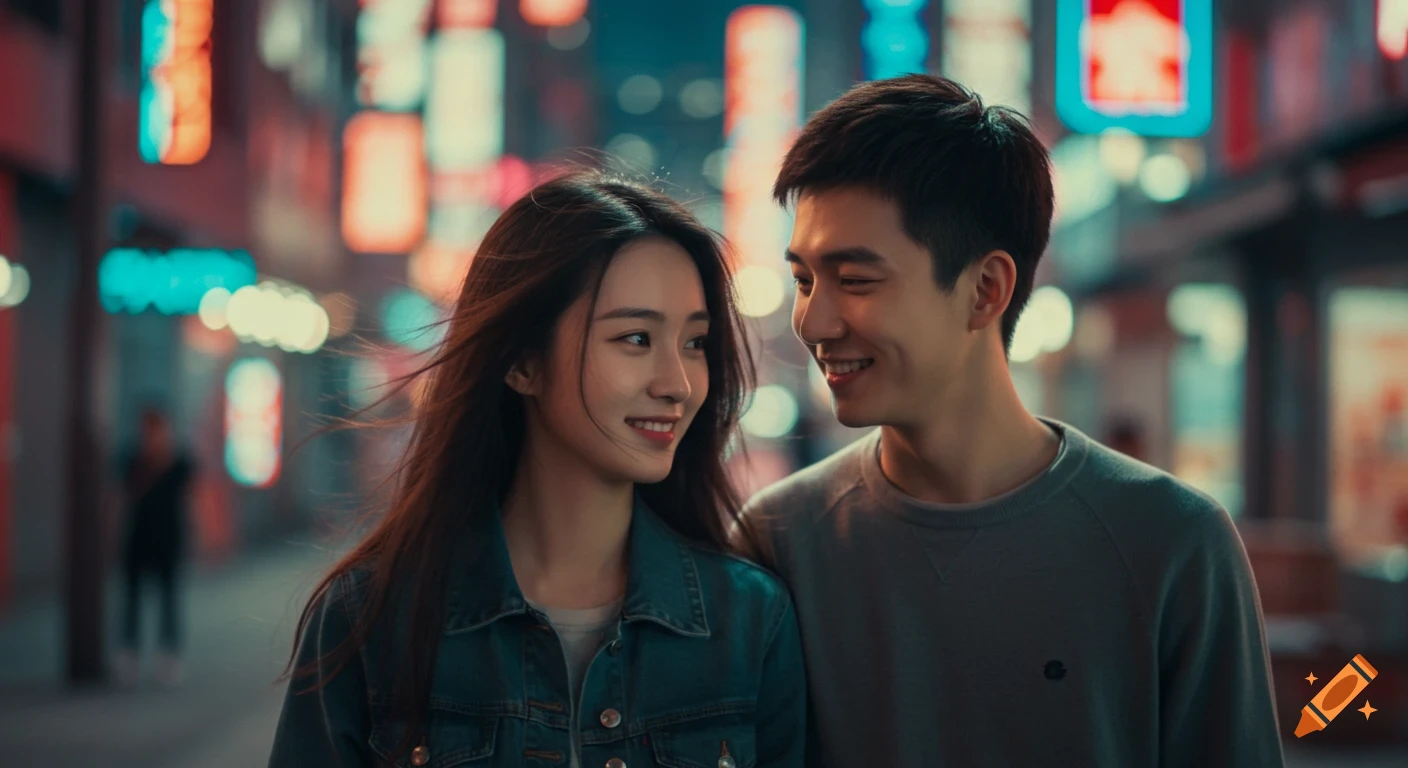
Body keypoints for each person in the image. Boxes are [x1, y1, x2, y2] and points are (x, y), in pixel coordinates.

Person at [738, 75, 1284, 767]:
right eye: (805, 279)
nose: (814, 321)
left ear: (985, 289)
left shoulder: (1173, 542)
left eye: (856, 280)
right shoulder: (778, 540)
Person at [270, 171, 806, 768]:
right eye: (634, 338)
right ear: (522, 362)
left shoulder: (750, 622)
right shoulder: (373, 618)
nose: (677, 384)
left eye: (694, 343)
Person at [114, 406, 196, 687]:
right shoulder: (132, 460)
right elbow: (119, 497)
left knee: (169, 600)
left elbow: (192, 498)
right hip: (137, 540)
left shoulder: (179, 462)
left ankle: (169, 655)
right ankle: (129, 654)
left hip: (168, 540)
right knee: (132, 600)